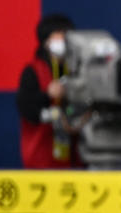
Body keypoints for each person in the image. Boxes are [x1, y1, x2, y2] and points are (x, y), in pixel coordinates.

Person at [16, 14, 85, 169]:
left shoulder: (79, 69)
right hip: (43, 160)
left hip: (76, 161)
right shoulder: (33, 71)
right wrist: (48, 95)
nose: (62, 40)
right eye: (57, 35)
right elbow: (27, 109)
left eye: (65, 35)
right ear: (45, 41)